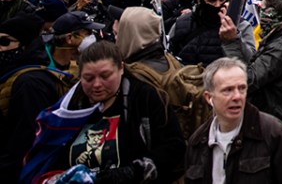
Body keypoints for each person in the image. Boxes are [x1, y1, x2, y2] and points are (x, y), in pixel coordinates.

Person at [23, 39, 185, 183]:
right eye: (88, 78)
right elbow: (48, 152)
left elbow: (173, 147)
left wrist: (132, 171)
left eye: (105, 76)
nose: (97, 84)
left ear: (121, 68)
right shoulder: (69, 107)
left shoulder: (144, 97)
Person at [184, 57, 282, 184]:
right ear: (209, 98)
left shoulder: (274, 133)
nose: (237, 96)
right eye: (228, 90)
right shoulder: (197, 142)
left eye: (242, 88)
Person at [220, 0, 282, 121]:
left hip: (272, 118)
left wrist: (231, 42)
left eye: (262, 8)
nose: (259, 13)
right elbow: (257, 64)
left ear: (273, 12)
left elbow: (248, 80)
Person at [0, 13, 71, 174]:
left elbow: (26, 138)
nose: (0, 48)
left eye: (4, 42)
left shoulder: (30, 83)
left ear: (24, 45)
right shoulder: (15, 74)